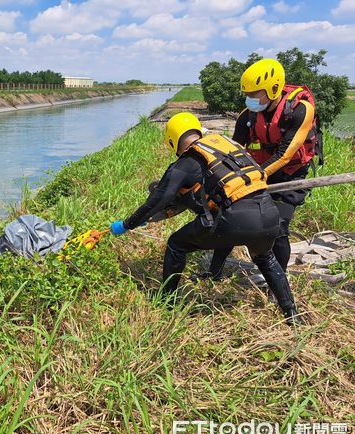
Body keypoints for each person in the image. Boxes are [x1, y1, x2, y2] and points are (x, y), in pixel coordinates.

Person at [109, 112, 302, 325]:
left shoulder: (187, 161)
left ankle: (167, 301)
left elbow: (158, 199)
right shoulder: (225, 146)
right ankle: (292, 314)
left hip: (235, 220)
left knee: (176, 244)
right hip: (269, 214)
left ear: (173, 140)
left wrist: (127, 224)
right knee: (266, 258)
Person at [208, 58, 318, 277]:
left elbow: (284, 156)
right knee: (230, 214)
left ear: (274, 88)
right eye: (247, 94)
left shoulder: (300, 110)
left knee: (278, 228)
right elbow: (234, 152)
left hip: (290, 174)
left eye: (255, 94)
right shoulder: (246, 116)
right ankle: (214, 272)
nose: (250, 99)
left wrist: (251, 179)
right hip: (259, 171)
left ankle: (277, 279)